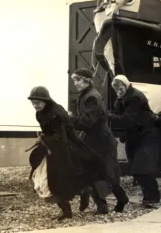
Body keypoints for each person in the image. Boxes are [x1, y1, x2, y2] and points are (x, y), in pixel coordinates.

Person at [27, 86, 109, 220]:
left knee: (61, 179)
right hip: (54, 147)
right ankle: (68, 209)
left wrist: (43, 138)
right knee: (52, 180)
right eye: (33, 103)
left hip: (66, 147)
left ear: (46, 101)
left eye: (38, 102)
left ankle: (88, 199)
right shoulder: (40, 113)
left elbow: (60, 136)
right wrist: (44, 138)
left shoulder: (56, 113)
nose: (35, 105)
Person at [69, 68, 129, 215]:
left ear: (87, 80)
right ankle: (102, 206)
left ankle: (121, 199)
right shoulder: (86, 95)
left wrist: (69, 118)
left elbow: (86, 122)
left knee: (108, 175)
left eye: (78, 79)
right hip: (94, 141)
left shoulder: (91, 97)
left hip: (102, 143)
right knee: (92, 173)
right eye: (74, 80)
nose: (75, 83)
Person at [108, 75, 161, 208]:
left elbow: (128, 119)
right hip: (135, 135)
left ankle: (152, 196)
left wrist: (109, 115)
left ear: (126, 85)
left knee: (140, 168)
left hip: (146, 135)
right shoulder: (124, 95)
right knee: (136, 167)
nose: (118, 92)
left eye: (120, 89)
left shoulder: (134, 97)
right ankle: (150, 195)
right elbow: (121, 114)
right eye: (116, 90)